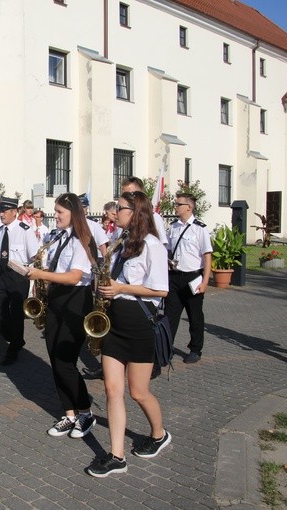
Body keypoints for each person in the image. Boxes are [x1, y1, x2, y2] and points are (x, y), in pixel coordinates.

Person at [85, 191, 171, 477]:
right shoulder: (121, 243)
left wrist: (122, 288)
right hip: (115, 321)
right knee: (112, 389)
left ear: (136, 212)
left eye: (120, 209)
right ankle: (117, 455)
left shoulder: (152, 245)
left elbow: (160, 290)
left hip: (139, 323)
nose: (114, 213)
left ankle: (159, 434)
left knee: (138, 392)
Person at [26, 193, 98, 439]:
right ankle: (69, 414)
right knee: (55, 358)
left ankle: (86, 412)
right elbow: (54, 268)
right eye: (55, 211)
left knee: (66, 360)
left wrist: (41, 275)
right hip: (56, 298)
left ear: (73, 215)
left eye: (60, 213)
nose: (54, 216)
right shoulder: (55, 237)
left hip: (76, 301)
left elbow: (74, 276)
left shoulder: (81, 240)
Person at [165, 192, 212, 363]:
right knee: (170, 315)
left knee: (195, 315)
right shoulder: (174, 226)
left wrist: (205, 281)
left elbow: (207, 256)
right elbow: (169, 250)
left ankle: (195, 349)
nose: (175, 207)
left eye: (178, 204)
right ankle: (166, 348)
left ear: (189, 207)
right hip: (175, 277)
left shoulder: (200, 228)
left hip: (193, 278)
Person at [0, 197, 39, 365]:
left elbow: (35, 255)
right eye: (0, 211)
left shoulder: (24, 230)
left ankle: (14, 348)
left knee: (17, 313)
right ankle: (15, 338)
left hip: (18, 276)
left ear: (14, 212)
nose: (1, 214)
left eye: (4, 211)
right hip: (3, 275)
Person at [121, 177, 168, 249]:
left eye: (131, 194)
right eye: (124, 194)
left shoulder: (154, 217)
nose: (126, 198)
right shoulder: (122, 217)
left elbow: (161, 245)